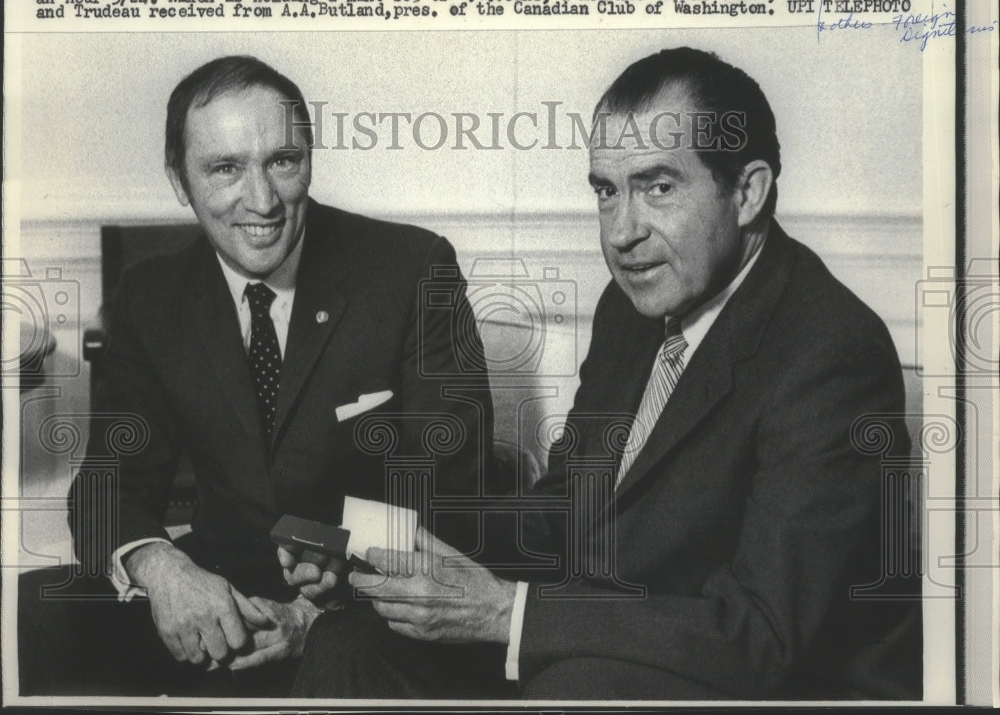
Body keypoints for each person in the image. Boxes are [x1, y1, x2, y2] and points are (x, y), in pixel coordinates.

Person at [288, 47, 922, 700]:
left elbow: (759, 635)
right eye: (606, 192)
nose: (621, 232)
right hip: (602, 651)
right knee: (352, 645)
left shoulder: (830, 350)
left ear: (748, 191)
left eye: (659, 187)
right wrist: (388, 545)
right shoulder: (633, 308)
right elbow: (562, 514)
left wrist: (510, 612)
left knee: (569, 687)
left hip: (766, 685)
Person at [18, 55, 495, 696]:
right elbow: (108, 483)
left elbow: (453, 493)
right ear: (180, 182)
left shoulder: (412, 269)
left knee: (342, 655)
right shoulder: (151, 297)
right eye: (224, 169)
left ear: (310, 159)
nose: (263, 201)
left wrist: (320, 603)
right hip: (225, 595)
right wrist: (162, 568)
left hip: (371, 603)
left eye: (282, 161)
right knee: (44, 607)